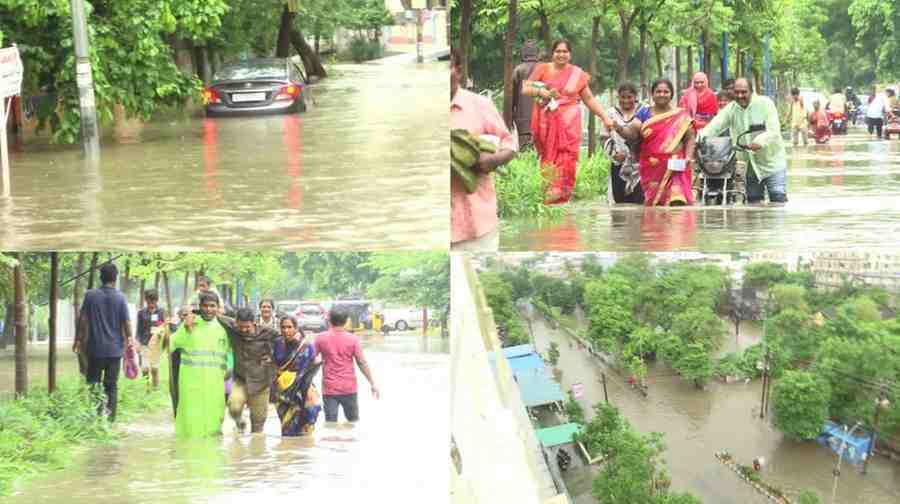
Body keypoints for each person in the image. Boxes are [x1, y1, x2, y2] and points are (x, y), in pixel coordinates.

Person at [524, 39, 615, 204]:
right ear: (552, 53)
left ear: (570, 54)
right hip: (547, 121)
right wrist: (543, 93)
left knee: (568, 157)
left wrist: (605, 117)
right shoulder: (543, 69)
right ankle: (550, 192)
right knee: (549, 156)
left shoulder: (577, 74)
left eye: (565, 51)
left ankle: (562, 195)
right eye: (558, 51)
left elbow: (589, 99)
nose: (561, 55)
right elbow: (526, 88)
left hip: (570, 123)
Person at [450, 47, 517, 251]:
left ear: (458, 70)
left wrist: (493, 160)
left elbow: (509, 144)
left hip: (476, 222)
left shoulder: (480, 105)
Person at [699, 77, 787, 204]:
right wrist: (696, 141)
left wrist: (759, 142)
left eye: (744, 92)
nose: (740, 96)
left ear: (752, 91)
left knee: (778, 201)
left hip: (772, 164)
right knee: (753, 205)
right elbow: (713, 127)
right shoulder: (731, 108)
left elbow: (773, 130)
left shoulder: (766, 104)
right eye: (737, 92)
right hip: (749, 166)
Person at [75, 263, 134, 423]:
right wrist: (130, 340)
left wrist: (78, 340)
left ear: (100, 278)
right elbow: (126, 322)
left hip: (95, 349)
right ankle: (110, 420)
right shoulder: (121, 297)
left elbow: (83, 320)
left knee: (94, 383)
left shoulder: (90, 295)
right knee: (111, 386)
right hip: (115, 350)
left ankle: (96, 417)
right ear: (115, 278)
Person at [169, 292, 232, 438]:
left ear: (218, 308)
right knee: (190, 429)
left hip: (215, 387)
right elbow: (169, 345)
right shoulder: (189, 325)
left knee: (213, 428)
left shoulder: (224, 329)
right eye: (205, 306)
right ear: (200, 306)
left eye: (212, 306)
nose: (209, 309)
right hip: (191, 387)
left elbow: (235, 351)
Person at [628, 78, 697, 206]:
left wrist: (688, 156)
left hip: (676, 166)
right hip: (652, 167)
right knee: (655, 205)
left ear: (671, 94)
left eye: (666, 92)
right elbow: (632, 133)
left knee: (678, 201)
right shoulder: (644, 113)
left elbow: (690, 137)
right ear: (652, 94)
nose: (662, 94)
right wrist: (617, 127)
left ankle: (681, 226)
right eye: (658, 91)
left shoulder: (681, 115)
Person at [217, 307, 280, 434]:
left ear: (254, 323)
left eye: (247, 327)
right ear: (236, 322)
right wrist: (192, 314)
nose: (243, 330)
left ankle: (255, 451)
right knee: (233, 407)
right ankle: (240, 422)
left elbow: (284, 340)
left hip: (261, 383)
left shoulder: (268, 333)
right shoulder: (232, 328)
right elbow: (213, 315)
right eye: (241, 326)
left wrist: (272, 358)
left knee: (258, 423)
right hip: (240, 379)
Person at [315, 306, 379, 423]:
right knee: (353, 423)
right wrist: (372, 383)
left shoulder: (320, 338)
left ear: (329, 320)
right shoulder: (353, 339)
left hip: (329, 389)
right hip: (349, 388)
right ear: (346, 320)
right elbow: (361, 362)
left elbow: (310, 359)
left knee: (330, 424)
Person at [272, 315, 322, 436]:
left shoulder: (306, 346)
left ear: (296, 328)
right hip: (283, 390)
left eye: (289, 327)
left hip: (302, 388)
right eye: (283, 327)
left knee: (305, 429)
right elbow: (273, 363)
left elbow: (313, 365)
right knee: (287, 429)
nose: (286, 330)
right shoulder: (277, 343)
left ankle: (302, 452)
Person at [601, 82, 645, 204]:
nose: (626, 100)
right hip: (618, 163)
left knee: (640, 199)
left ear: (635, 97)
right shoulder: (610, 113)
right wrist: (614, 154)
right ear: (618, 97)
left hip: (640, 164)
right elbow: (604, 137)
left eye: (629, 97)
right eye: (623, 97)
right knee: (619, 201)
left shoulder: (643, 111)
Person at [136, 288, 166, 390]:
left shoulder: (162, 311)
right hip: (144, 342)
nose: (151, 303)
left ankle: (155, 387)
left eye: (153, 301)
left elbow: (166, 326)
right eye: (149, 301)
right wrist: (137, 343)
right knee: (145, 367)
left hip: (157, 343)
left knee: (154, 368)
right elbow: (138, 329)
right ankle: (147, 387)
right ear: (146, 300)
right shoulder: (141, 313)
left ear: (156, 300)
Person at [512, 40, 540, 148]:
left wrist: (509, 118)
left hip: (522, 125)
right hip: (542, 123)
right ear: (537, 53)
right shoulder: (544, 69)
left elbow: (511, 98)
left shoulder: (518, 70)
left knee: (524, 156)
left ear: (523, 53)